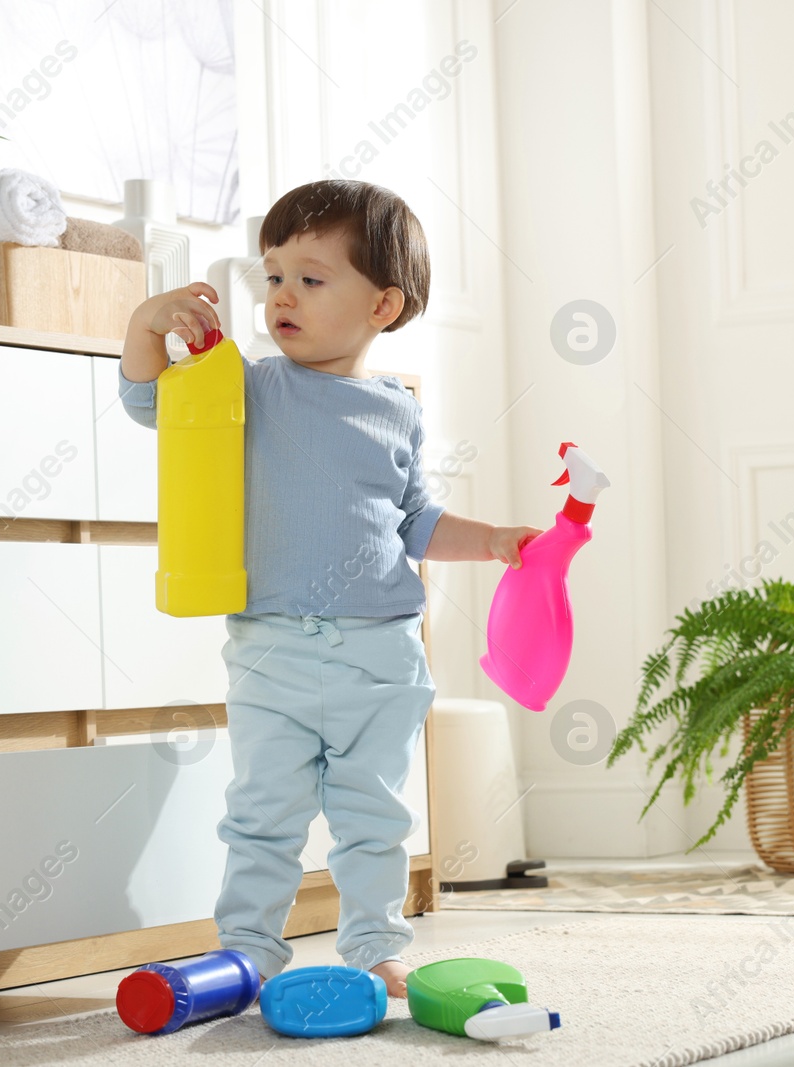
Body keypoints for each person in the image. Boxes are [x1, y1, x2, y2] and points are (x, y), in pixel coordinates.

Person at [118, 179, 541, 997]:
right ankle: (247, 947)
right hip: (270, 650)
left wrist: (489, 542)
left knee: (373, 817)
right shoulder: (247, 385)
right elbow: (147, 402)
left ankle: (376, 943)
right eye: (273, 276)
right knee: (261, 815)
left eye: (311, 279)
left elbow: (416, 520)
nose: (282, 296)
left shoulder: (397, 409)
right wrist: (147, 326)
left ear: (382, 306)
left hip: (380, 656)